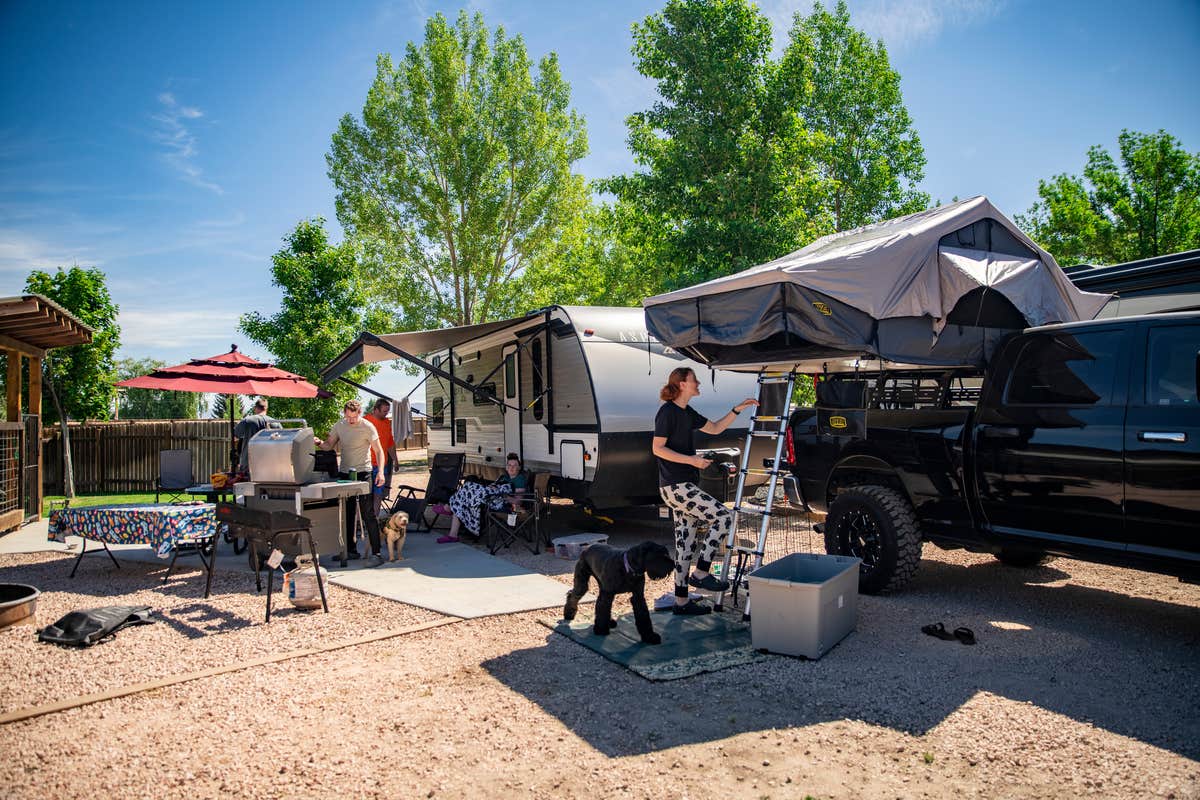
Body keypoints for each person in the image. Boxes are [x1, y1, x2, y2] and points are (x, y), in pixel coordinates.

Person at [651, 367, 758, 615]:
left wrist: (737, 409)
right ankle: (701, 572)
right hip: (676, 486)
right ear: (681, 384)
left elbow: (716, 428)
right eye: (694, 380)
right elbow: (657, 448)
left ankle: (681, 602)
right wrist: (692, 460)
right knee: (724, 517)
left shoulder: (686, 412)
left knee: (685, 544)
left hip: (683, 485)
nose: (698, 383)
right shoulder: (667, 412)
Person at [315, 400, 387, 566]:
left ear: (360, 413)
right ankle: (350, 551)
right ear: (344, 413)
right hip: (345, 474)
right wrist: (319, 443)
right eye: (348, 417)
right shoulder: (340, 425)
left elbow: (379, 451)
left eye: (354, 417)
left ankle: (376, 553)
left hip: (363, 472)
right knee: (346, 513)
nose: (351, 420)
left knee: (368, 513)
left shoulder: (368, 426)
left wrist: (381, 472)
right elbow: (328, 445)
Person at [439, 452, 528, 544]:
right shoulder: (503, 477)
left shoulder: (519, 479)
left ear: (519, 467)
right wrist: (492, 487)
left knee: (466, 492)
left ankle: (448, 508)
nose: (511, 467)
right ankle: (453, 534)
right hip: (490, 498)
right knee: (464, 494)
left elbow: (518, 502)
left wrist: (503, 494)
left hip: (502, 504)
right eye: (509, 465)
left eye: (514, 465)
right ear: (506, 467)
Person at [365, 398, 399, 518]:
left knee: (378, 494)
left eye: (388, 411)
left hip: (381, 465)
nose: (386, 414)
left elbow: (390, 444)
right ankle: (362, 521)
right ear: (376, 410)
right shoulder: (365, 421)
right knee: (366, 495)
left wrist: (395, 460)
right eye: (384, 411)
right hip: (366, 465)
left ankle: (375, 519)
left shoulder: (387, 423)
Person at [234, 398, 273, 476]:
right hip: (271, 466)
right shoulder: (275, 422)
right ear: (266, 409)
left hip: (248, 465)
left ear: (255, 408)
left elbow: (235, 437)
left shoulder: (247, 421)